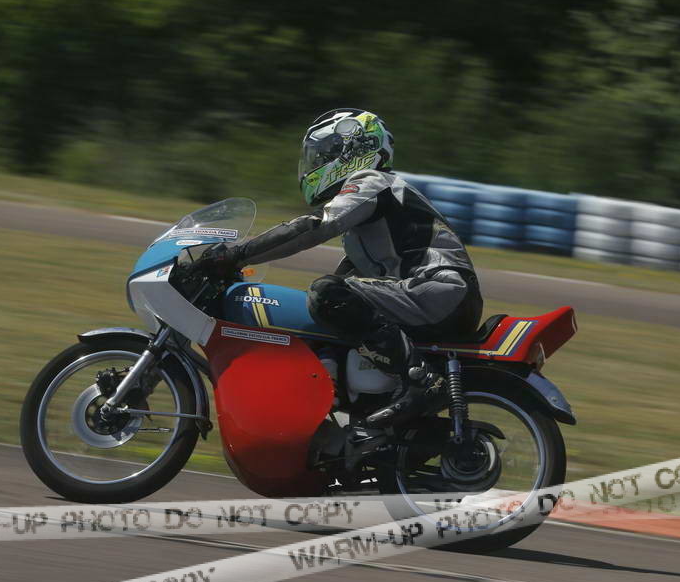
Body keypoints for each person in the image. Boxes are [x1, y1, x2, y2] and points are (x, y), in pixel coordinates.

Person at [189, 108, 483, 430]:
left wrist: (237, 255)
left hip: (440, 289)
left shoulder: (372, 181)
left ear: (352, 151)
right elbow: (350, 279)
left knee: (326, 292)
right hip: (433, 294)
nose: (316, 163)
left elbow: (315, 226)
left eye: (324, 154)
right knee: (329, 308)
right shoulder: (373, 216)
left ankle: (420, 379)